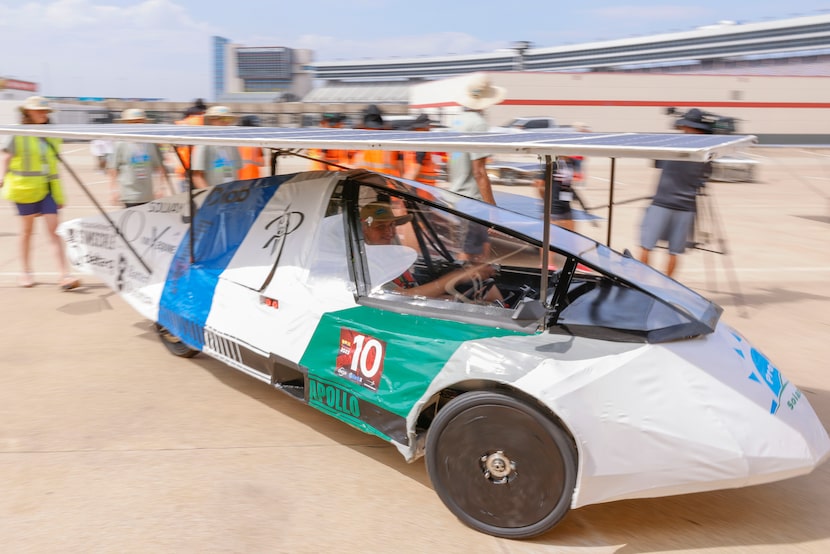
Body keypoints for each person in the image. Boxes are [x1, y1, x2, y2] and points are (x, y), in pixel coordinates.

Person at [0, 96, 79, 289]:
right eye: (39, 111)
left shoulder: (51, 134)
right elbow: (5, 156)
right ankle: (25, 272)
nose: (43, 114)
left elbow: (53, 167)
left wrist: (59, 195)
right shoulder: (16, 133)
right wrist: (1, 177)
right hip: (25, 189)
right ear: (28, 112)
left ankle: (64, 275)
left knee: (54, 231)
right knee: (27, 231)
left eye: (45, 111)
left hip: (47, 189)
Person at [360, 201, 500, 302]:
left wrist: (460, 301)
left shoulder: (392, 257)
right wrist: (458, 277)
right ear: (364, 230)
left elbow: (416, 294)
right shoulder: (368, 265)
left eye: (391, 225)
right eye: (380, 227)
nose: (389, 232)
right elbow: (403, 297)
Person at [639, 108, 713, 278]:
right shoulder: (707, 152)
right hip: (686, 207)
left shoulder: (671, 145)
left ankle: (641, 281)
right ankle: (667, 285)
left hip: (662, 202)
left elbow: (657, 162)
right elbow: (705, 178)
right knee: (674, 251)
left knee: (646, 245)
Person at [447, 72, 506, 261]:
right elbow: (479, 172)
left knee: (476, 246)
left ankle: (474, 283)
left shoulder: (456, 120)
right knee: (469, 250)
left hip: (456, 194)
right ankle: (461, 286)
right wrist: (493, 208)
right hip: (472, 200)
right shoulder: (478, 124)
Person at [108, 108, 174, 207]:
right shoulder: (120, 143)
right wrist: (114, 190)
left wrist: (161, 188)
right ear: (126, 124)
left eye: (139, 121)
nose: (136, 124)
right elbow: (113, 169)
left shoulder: (151, 143)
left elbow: (160, 167)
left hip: (148, 195)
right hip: (129, 194)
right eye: (132, 122)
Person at [190, 106, 242, 189]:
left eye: (229, 119)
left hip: (230, 195)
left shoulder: (232, 143)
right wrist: (209, 197)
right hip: (213, 195)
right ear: (211, 119)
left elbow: (237, 172)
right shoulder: (203, 143)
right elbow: (197, 176)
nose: (226, 122)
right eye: (223, 119)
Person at [533, 156, 577, 231]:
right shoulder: (553, 164)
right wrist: (545, 200)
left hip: (566, 208)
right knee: (552, 239)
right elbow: (539, 184)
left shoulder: (571, 162)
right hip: (553, 210)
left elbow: (567, 184)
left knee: (571, 237)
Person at [173, 99, 207, 191]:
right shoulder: (202, 122)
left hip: (183, 169)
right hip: (198, 170)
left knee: (186, 202)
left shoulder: (184, 122)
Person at [402, 114, 442, 186]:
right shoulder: (422, 143)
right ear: (425, 127)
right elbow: (414, 170)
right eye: (428, 126)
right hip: (422, 189)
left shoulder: (413, 142)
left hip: (418, 187)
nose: (429, 129)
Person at [237, 115, 266, 180]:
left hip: (240, 181)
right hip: (253, 181)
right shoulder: (257, 144)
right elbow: (262, 163)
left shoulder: (234, 143)